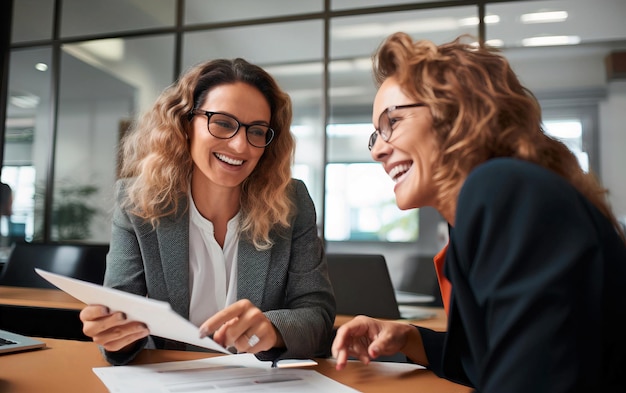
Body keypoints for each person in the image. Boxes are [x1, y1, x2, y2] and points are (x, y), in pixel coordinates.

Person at [332, 32, 626, 392]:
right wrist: (408, 337)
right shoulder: (500, 198)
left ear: (456, 114)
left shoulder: (502, 188)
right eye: (375, 134)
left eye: (392, 122)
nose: (378, 150)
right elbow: (492, 360)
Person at [80, 58, 335, 366]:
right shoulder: (136, 202)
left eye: (257, 131)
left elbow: (317, 316)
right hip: (173, 379)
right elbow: (119, 314)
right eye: (224, 123)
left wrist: (272, 330)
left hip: (262, 381)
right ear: (185, 123)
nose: (241, 145)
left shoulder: (292, 202)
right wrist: (116, 336)